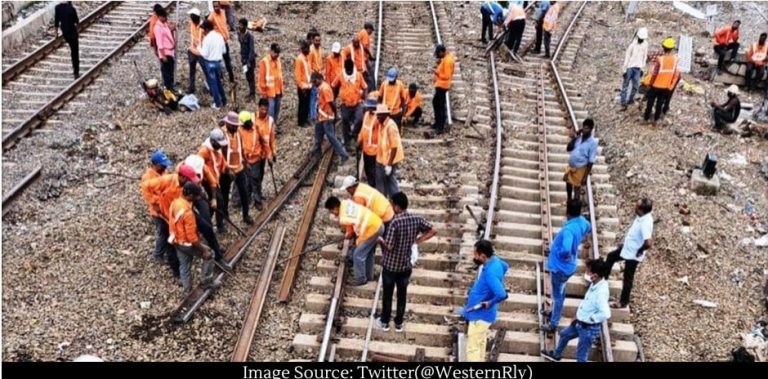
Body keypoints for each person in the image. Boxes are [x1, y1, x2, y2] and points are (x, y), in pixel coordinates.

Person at [376, 192, 438, 332]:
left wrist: (380, 241)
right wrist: (418, 240)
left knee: (387, 294)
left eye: (392, 205)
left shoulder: (395, 223)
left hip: (391, 266)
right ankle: (398, 323)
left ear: (397, 207)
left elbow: (389, 247)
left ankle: (385, 322)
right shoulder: (416, 218)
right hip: (405, 266)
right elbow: (433, 230)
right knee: (402, 294)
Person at [542, 258, 611, 362]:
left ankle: (558, 354)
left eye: (588, 271)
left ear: (595, 275)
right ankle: (556, 355)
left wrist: (589, 319)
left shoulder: (600, 293)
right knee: (564, 335)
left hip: (588, 329)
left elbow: (605, 313)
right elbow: (587, 304)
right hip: (580, 323)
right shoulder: (595, 284)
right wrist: (578, 317)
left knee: (581, 355)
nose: (586, 273)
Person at [541, 200, 591, 334]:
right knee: (560, 293)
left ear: (567, 212)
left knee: (558, 296)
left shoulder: (568, 230)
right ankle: (553, 314)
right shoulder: (582, 222)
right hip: (570, 266)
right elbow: (589, 228)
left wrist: (557, 252)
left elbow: (566, 249)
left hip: (560, 268)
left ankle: (553, 323)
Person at [140, 164, 201, 276]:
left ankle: (183, 259)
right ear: (182, 177)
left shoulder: (185, 187)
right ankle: (176, 271)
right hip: (162, 216)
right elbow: (145, 186)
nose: (190, 183)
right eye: (189, 179)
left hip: (174, 215)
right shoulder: (166, 181)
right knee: (170, 242)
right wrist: (155, 202)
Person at [170, 182, 220, 295]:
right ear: (190, 195)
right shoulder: (187, 212)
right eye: (196, 196)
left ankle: (187, 291)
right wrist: (204, 250)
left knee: (184, 265)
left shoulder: (175, 203)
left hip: (176, 240)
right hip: (186, 243)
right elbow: (192, 238)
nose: (197, 198)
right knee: (210, 254)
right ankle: (207, 281)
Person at [462, 240, 509, 362]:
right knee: (480, 343)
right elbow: (506, 266)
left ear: (483, 256)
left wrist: (489, 302)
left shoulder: (490, 273)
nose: (474, 257)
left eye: (475, 254)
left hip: (480, 315)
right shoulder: (496, 261)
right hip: (484, 315)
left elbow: (502, 294)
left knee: (472, 348)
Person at [604, 198, 653, 310]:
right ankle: (603, 280)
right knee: (611, 256)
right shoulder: (642, 216)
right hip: (628, 249)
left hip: (633, 254)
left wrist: (639, 251)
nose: (634, 207)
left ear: (641, 210)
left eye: (636, 206)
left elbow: (648, 243)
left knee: (628, 277)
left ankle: (623, 302)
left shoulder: (645, 223)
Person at [324, 196, 384, 286]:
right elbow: (351, 225)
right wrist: (349, 233)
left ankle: (361, 279)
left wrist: (348, 235)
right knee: (368, 252)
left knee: (358, 254)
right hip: (378, 224)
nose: (332, 213)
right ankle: (369, 275)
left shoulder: (343, 217)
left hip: (372, 230)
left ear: (336, 208)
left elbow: (351, 232)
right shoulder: (345, 203)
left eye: (332, 211)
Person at [140, 151, 178, 276]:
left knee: (166, 231)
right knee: (163, 232)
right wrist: (158, 205)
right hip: (158, 212)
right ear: (155, 164)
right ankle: (158, 254)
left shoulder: (163, 173)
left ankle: (163, 252)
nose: (165, 167)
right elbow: (148, 196)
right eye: (162, 165)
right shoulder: (148, 178)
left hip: (167, 208)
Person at [220, 112, 254, 229]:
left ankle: (246, 215)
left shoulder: (237, 132)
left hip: (238, 167)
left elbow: (241, 149)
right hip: (226, 171)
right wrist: (227, 168)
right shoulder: (222, 134)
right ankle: (226, 217)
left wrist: (245, 161)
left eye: (236, 125)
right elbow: (220, 155)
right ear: (228, 124)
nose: (235, 127)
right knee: (225, 194)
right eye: (233, 125)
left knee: (244, 192)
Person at [312, 73, 350, 163]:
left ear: (319, 79)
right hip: (321, 117)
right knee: (318, 135)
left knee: (331, 137)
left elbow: (331, 103)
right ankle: (317, 153)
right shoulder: (321, 88)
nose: (314, 84)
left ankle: (343, 155)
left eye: (314, 81)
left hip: (327, 117)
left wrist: (334, 115)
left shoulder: (325, 89)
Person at [643, 38, 679, 124]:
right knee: (659, 104)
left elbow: (654, 74)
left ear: (663, 48)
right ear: (672, 49)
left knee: (650, 103)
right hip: (666, 87)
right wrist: (670, 86)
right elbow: (676, 75)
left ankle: (646, 118)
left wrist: (650, 84)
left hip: (655, 86)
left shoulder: (660, 59)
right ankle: (656, 120)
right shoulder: (675, 60)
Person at [333, 59, 367, 149]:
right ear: (345, 68)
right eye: (347, 70)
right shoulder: (341, 75)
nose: (349, 72)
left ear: (353, 68)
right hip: (345, 103)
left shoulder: (358, 75)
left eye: (350, 70)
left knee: (359, 119)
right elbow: (334, 85)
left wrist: (365, 100)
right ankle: (347, 141)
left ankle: (354, 135)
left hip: (357, 103)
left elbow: (365, 87)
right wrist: (334, 98)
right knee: (345, 119)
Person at [563, 118, 597, 202]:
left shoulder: (592, 143)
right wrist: (576, 136)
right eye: (584, 128)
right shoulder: (579, 138)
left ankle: (575, 207)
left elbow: (591, 161)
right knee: (568, 185)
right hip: (571, 166)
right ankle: (569, 200)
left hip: (580, 168)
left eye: (587, 128)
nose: (584, 130)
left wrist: (585, 177)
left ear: (591, 129)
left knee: (577, 189)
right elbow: (568, 148)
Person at [374, 104, 404, 198]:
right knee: (381, 180)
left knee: (390, 180)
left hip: (391, 159)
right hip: (382, 158)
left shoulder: (391, 126)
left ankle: (397, 201)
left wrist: (389, 165)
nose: (377, 117)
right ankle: (383, 200)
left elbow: (394, 147)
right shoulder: (382, 123)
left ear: (384, 115)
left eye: (379, 115)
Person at [200, 20, 227, 109]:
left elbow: (204, 54)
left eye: (203, 29)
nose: (203, 31)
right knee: (219, 82)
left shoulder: (206, 39)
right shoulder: (219, 36)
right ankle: (224, 100)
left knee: (213, 84)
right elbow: (224, 51)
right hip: (219, 62)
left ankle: (217, 103)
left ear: (207, 29)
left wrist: (198, 48)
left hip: (210, 63)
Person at [620, 27, 649, 110]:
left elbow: (644, 56)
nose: (641, 40)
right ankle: (623, 102)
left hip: (637, 68)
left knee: (635, 86)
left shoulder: (645, 45)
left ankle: (630, 100)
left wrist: (642, 68)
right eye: (640, 38)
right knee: (625, 85)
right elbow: (627, 58)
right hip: (629, 67)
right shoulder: (632, 45)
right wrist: (624, 70)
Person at [258, 43, 284, 131]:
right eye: (275, 52)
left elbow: (279, 75)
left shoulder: (278, 60)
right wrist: (263, 92)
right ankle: (269, 129)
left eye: (278, 53)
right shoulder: (264, 62)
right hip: (269, 92)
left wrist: (281, 89)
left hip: (278, 90)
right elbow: (261, 79)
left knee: (277, 110)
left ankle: (274, 126)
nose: (276, 54)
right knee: (270, 112)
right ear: (271, 51)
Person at [209, 1, 235, 82]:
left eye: (217, 6)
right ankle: (220, 77)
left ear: (220, 6)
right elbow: (206, 24)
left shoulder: (224, 12)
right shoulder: (212, 15)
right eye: (214, 7)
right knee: (218, 61)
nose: (216, 8)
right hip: (218, 43)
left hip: (225, 41)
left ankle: (231, 78)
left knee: (227, 61)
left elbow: (230, 15)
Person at [432, 44, 455, 135]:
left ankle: (440, 127)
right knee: (436, 103)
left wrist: (437, 73)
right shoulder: (446, 58)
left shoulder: (448, 61)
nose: (438, 55)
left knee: (439, 105)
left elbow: (447, 76)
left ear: (442, 52)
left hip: (443, 86)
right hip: (441, 85)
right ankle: (438, 123)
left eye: (438, 53)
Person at [54, 1, 80, 79]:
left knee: (72, 49)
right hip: (72, 32)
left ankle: (75, 70)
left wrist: (56, 34)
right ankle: (76, 71)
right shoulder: (72, 9)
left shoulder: (57, 8)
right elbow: (76, 21)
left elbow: (56, 22)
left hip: (65, 33)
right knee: (75, 52)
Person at [358, 98, 380, 187]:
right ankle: (371, 184)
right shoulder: (367, 115)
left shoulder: (378, 118)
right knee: (368, 170)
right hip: (366, 149)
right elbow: (363, 129)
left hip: (375, 151)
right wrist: (359, 140)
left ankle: (374, 186)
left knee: (373, 171)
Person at [153, 8, 176, 90]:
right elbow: (159, 43)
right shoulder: (157, 28)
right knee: (166, 72)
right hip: (165, 53)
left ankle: (171, 86)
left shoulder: (164, 24)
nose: (166, 18)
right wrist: (163, 55)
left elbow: (169, 30)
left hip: (170, 51)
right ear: (160, 17)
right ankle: (169, 88)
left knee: (170, 70)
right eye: (164, 17)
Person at [186, 8, 205, 94]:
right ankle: (191, 87)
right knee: (192, 69)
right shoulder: (192, 24)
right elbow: (192, 36)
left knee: (205, 69)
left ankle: (210, 86)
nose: (191, 19)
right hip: (193, 50)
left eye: (192, 17)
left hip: (201, 51)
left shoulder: (203, 26)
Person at [238, 18, 257, 101]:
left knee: (251, 76)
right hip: (244, 60)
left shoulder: (250, 36)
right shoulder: (239, 34)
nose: (239, 26)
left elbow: (251, 50)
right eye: (239, 25)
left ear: (245, 26)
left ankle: (252, 94)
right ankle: (250, 92)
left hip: (249, 61)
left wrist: (249, 61)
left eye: (241, 25)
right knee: (247, 76)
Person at [296, 41, 313, 128]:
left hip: (308, 85)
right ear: (304, 49)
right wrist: (301, 87)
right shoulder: (300, 59)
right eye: (308, 49)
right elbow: (298, 76)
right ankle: (301, 121)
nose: (309, 51)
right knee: (302, 104)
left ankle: (305, 119)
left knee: (306, 104)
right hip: (303, 87)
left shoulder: (306, 58)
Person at [358, 22, 376, 89]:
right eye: (371, 30)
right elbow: (365, 47)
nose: (371, 32)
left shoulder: (361, 32)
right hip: (364, 58)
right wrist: (370, 56)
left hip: (360, 57)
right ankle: (372, 89)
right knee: (370, 73)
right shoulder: (365, 34)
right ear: (368, 29)